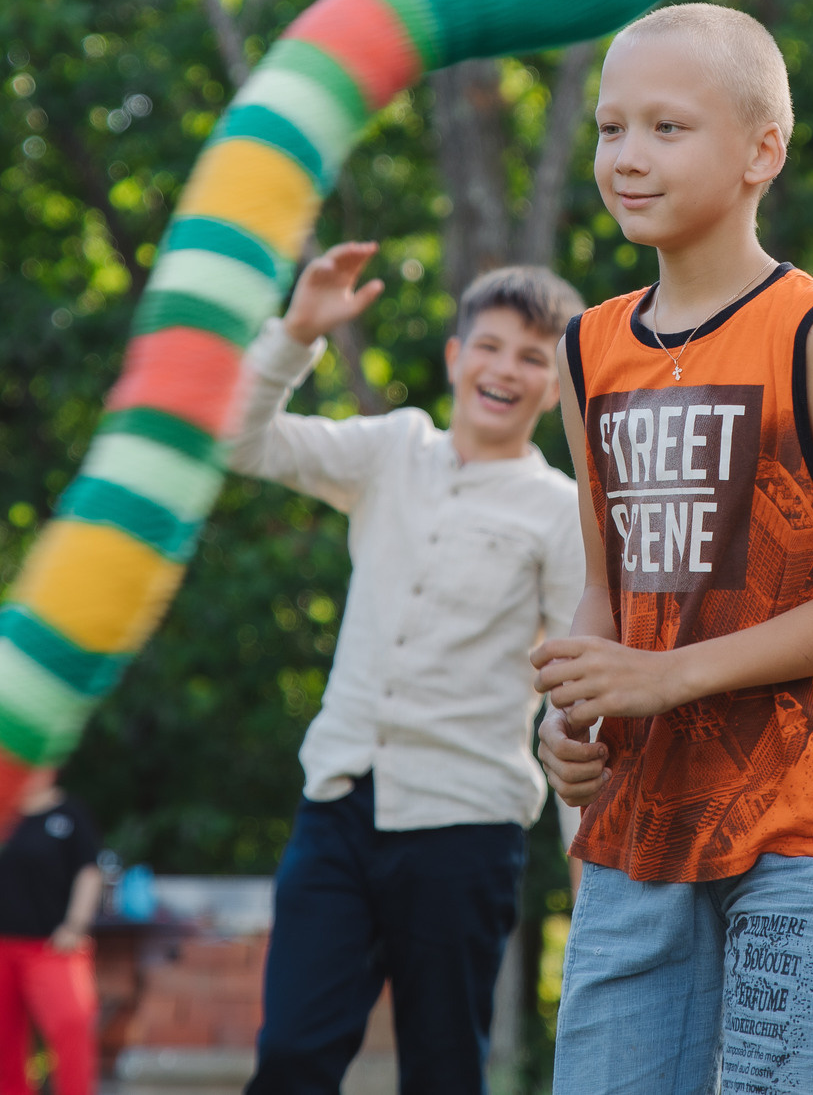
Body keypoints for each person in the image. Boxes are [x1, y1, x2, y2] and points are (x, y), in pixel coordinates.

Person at [532, 2, 813, 1095]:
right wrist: (572, 721)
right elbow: (606, 596)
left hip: (805, 829)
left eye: (667, 128)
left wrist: (667, 677)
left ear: (763, 152)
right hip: (637, 828)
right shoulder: (586, 347)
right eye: (612, 129)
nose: (627, 157)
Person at [223, 252, 587, 1095]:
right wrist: (298, 331)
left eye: (535, 357)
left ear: (557, 387)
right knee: (292, 1058)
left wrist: (589, 878)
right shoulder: (392, 449)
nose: (507, 368)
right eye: (490, 346)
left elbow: (576, 701)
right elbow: (237, 438)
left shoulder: (562, 511)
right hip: (339, 806)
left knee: (444, 1070)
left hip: (466, 826)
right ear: (456, 357)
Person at [0, 783, 102, 1095]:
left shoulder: (69, 813)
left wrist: (75, 925)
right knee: (3, 1041)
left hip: (51, 945)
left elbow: (89, 871)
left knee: (71, 1024)